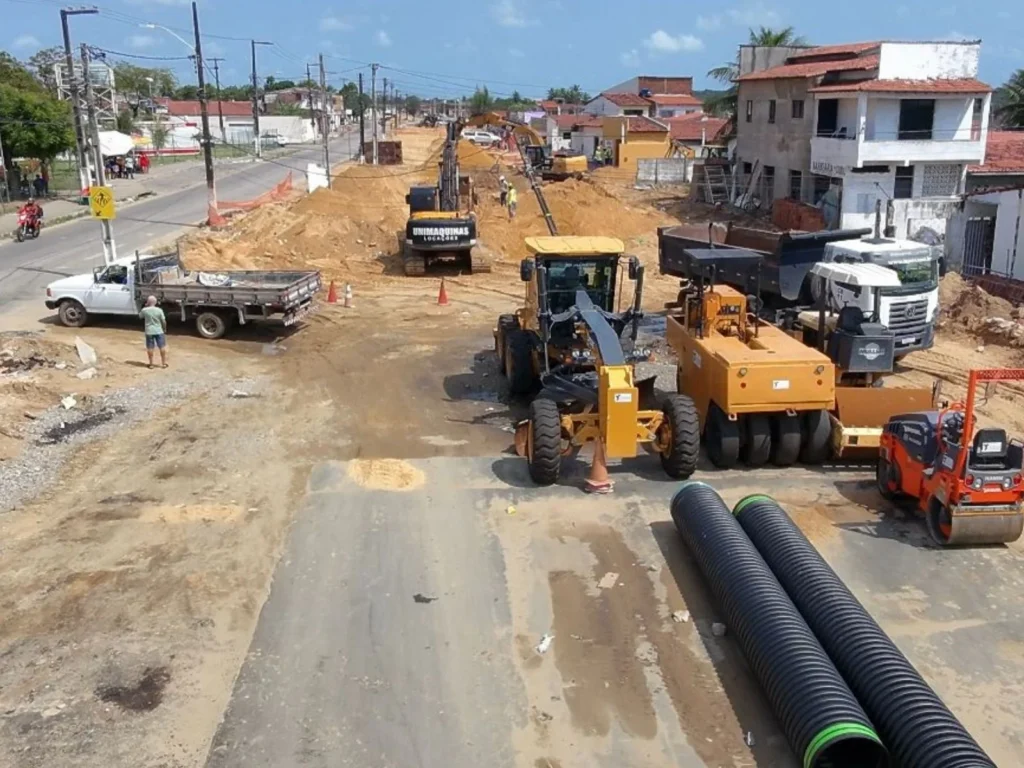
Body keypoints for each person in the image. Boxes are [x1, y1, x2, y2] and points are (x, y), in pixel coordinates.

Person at [140, 296, 168, 369]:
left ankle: (151, 364)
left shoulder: (145, 310)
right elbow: (163, 321)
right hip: (159, 330)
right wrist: (164, 329)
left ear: (148, 302)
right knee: (162, 347)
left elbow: (140, 316)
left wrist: (145, 306)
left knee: (150, 347)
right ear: (155, 302)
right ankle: (164, 363)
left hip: (149, 331)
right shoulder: (159, 310)